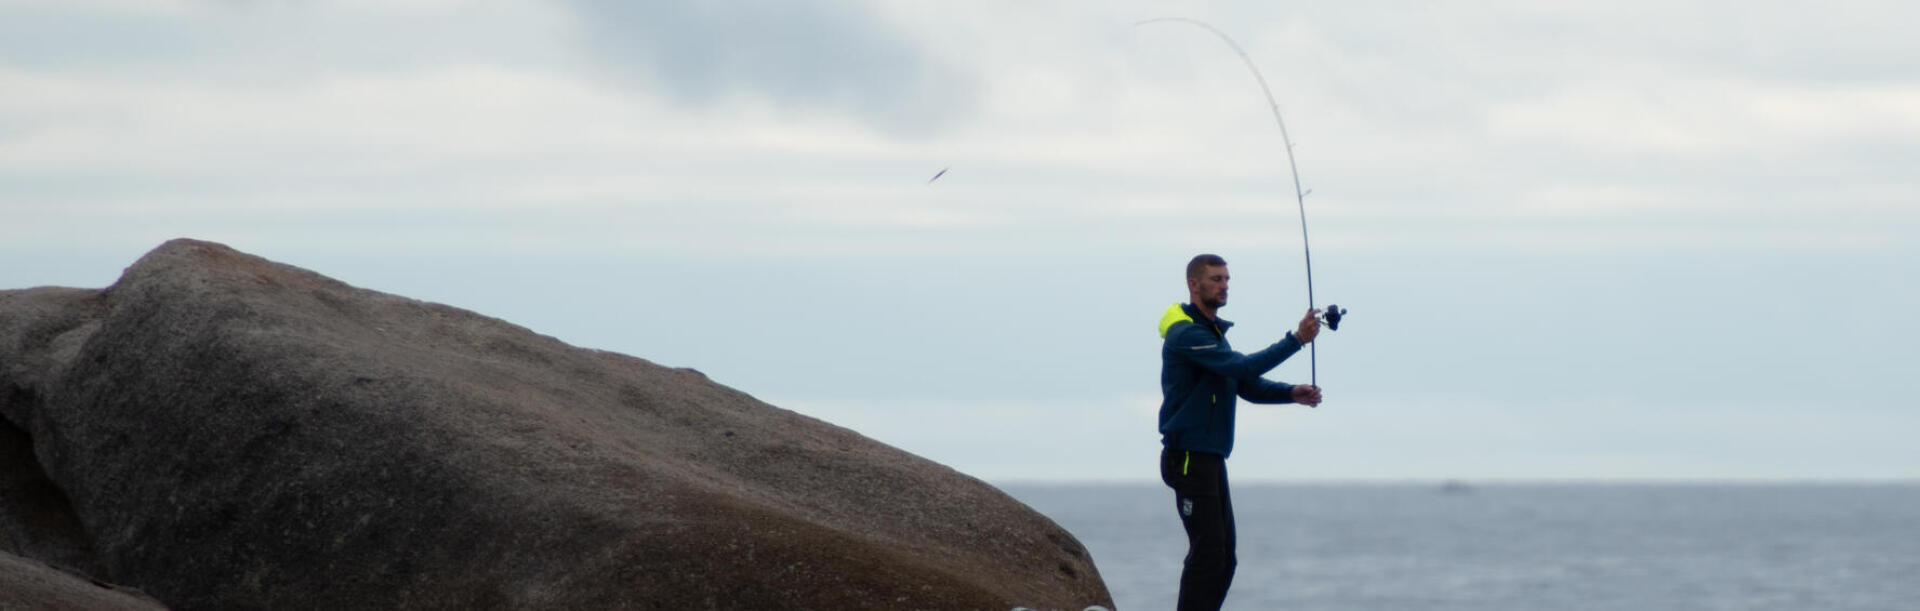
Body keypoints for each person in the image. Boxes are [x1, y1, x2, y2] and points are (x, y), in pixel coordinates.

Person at [1157, 253, 1322, 611]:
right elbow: (1242, 366)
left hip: (1211, 457)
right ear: (1193, 284)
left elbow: (1242, 382)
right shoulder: (1187, 333)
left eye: (1227, 279)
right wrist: (1296, 340)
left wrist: (1290, 393)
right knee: (1208, 553)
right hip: (1187, 457)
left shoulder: (1212, 334)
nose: (1224, 285)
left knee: (1225, 559)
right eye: (1216, 279)